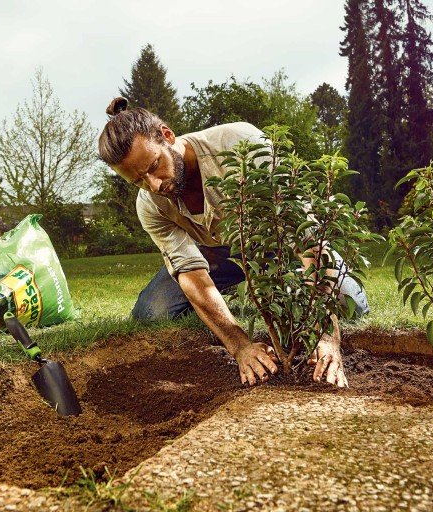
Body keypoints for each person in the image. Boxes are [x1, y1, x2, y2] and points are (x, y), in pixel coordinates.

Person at [98, 97, 368, 388]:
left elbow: (308, 239)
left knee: (350, 304)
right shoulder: (150, 205)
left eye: (154, 166)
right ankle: (233, 295)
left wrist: (325, 336)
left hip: (278, 246)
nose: (154, 185)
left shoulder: (241, 145)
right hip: (218, 255)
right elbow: (191, 272)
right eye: (138, 180)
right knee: (151, 313)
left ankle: (281, 285)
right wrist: (239, 345)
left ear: (167, 136)